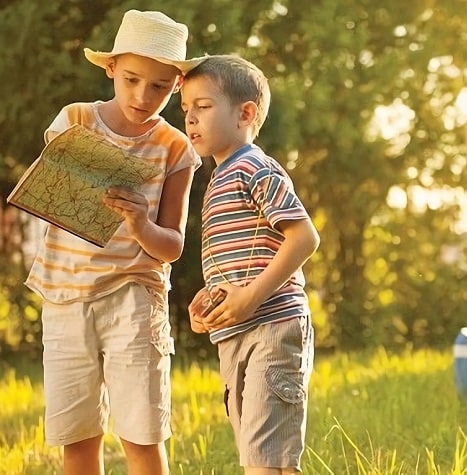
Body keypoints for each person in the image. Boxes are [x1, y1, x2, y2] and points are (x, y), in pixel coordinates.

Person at [24, 10, 204, 475]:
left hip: (134, 299)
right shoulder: (76, 119)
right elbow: (47, 190)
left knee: (142, 436)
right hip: (65, 297)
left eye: (160, 87)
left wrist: (141, 222)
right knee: (78, 438)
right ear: (109, 69)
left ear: (177, 86)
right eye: (131, 80)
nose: (143, 96)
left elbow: (172, 246)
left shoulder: (175, 148)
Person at [182, 55, 320, 474]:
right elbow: (240, 257)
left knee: (268, 461)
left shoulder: (254, 168)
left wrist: (252, 297)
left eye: (202, 107)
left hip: (273, 326)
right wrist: (209, 299)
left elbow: (304, 237)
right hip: (235, 333)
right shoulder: (219, 179)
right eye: (185, 110)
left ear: (245, 113)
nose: (190, 119)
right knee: (257, 457)